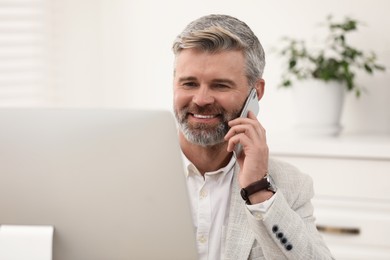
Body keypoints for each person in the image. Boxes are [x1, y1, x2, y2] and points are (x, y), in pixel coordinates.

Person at [172, 14, 334, 260]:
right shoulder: (128, 173)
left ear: (255, 92)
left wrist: (258, 191)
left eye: (220, 85)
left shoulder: (290, 186)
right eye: (189, 83)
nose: (201, 99)